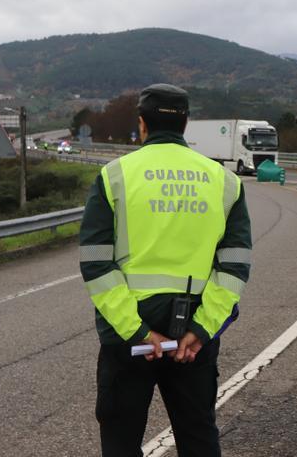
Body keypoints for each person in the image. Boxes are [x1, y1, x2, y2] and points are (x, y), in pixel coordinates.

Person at [79, 84, 252, 457]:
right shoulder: (225, 181)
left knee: (121, 441)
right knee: (198, 437)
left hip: (129, 336)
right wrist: (202, 329)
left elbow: (95, 261)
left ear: (142, 124)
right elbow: (235, 267)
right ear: (185, 124)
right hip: (192, 334)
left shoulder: (114, 176)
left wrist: (138, 332)